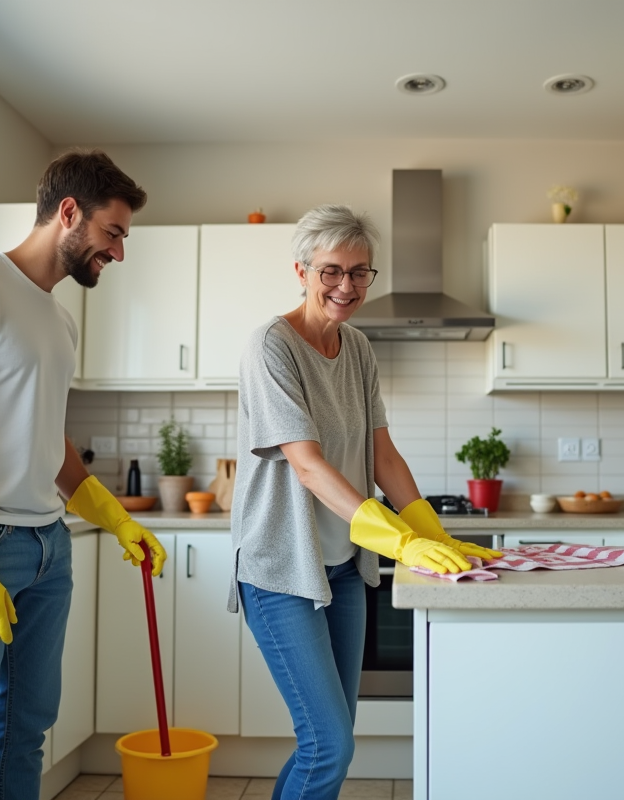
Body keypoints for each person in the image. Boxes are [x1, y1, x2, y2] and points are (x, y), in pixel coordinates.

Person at [0, 150, 167, 800]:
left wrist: (115, 519)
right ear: (68, 213)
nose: (119, 253)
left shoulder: (59, 318)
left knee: (25, 737)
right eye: (114, 233)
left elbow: (48, 440)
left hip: (49, 549)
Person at [229, 204, 502, 799]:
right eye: (331, 271)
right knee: (329, 744)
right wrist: (401, 542)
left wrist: (433, 532)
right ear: (301, 271)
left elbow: (385, 457)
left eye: (360, 272)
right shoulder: (270, 346)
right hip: (281, 570)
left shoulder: (358, 349)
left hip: (345, 570)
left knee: (330, 740)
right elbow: (306, 464)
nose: (346, 286)